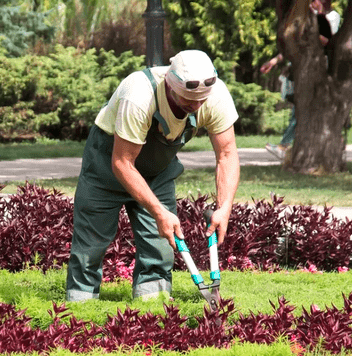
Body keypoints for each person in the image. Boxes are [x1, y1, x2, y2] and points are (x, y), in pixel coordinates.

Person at [65, 50, 240, 302]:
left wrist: (224, 208)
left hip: (157, 172)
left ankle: (153, 309)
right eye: (188, 100)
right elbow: (122, 162)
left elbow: (226, 154)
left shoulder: (215, 95)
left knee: (160, 247)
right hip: (107, 166)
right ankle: (80, 311)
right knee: (91, 245)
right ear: (170, 85)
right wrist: (158, 211)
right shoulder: (139, 95)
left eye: (201, 101)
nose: (196, 106)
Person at [261, 0, 341, 160]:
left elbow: (326, 40)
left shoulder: (332, 17)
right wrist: (274, 61)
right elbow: (296, 46)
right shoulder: (309, 18)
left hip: (318, 69)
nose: (311, 2)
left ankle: (285, 146)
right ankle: (291, 147)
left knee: (301, 109)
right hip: (302, 69)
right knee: (300, 107)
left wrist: (315, 20)